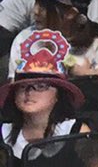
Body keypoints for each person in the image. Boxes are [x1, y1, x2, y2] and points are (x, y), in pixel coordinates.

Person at [1, 29, 89, 159]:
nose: (29, 92)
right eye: (23, 86)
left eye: (41, 86)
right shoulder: (3, 133)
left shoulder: (77, 132)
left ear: (58, 94)